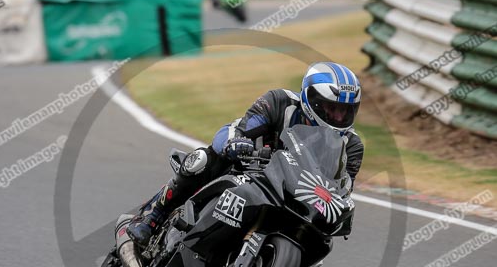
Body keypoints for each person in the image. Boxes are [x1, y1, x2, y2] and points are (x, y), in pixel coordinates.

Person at [126, 61, 364, 246]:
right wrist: (239, 144)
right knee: (204, 159)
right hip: (249, 166)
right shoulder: (280, 102)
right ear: (312, 99)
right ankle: (153, 216)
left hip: (291, 193)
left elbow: (342, 186)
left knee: (321, 238)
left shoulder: (352, 145)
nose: (338, 117)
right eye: (332, 108)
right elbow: (243, 128)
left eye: (345, 111)